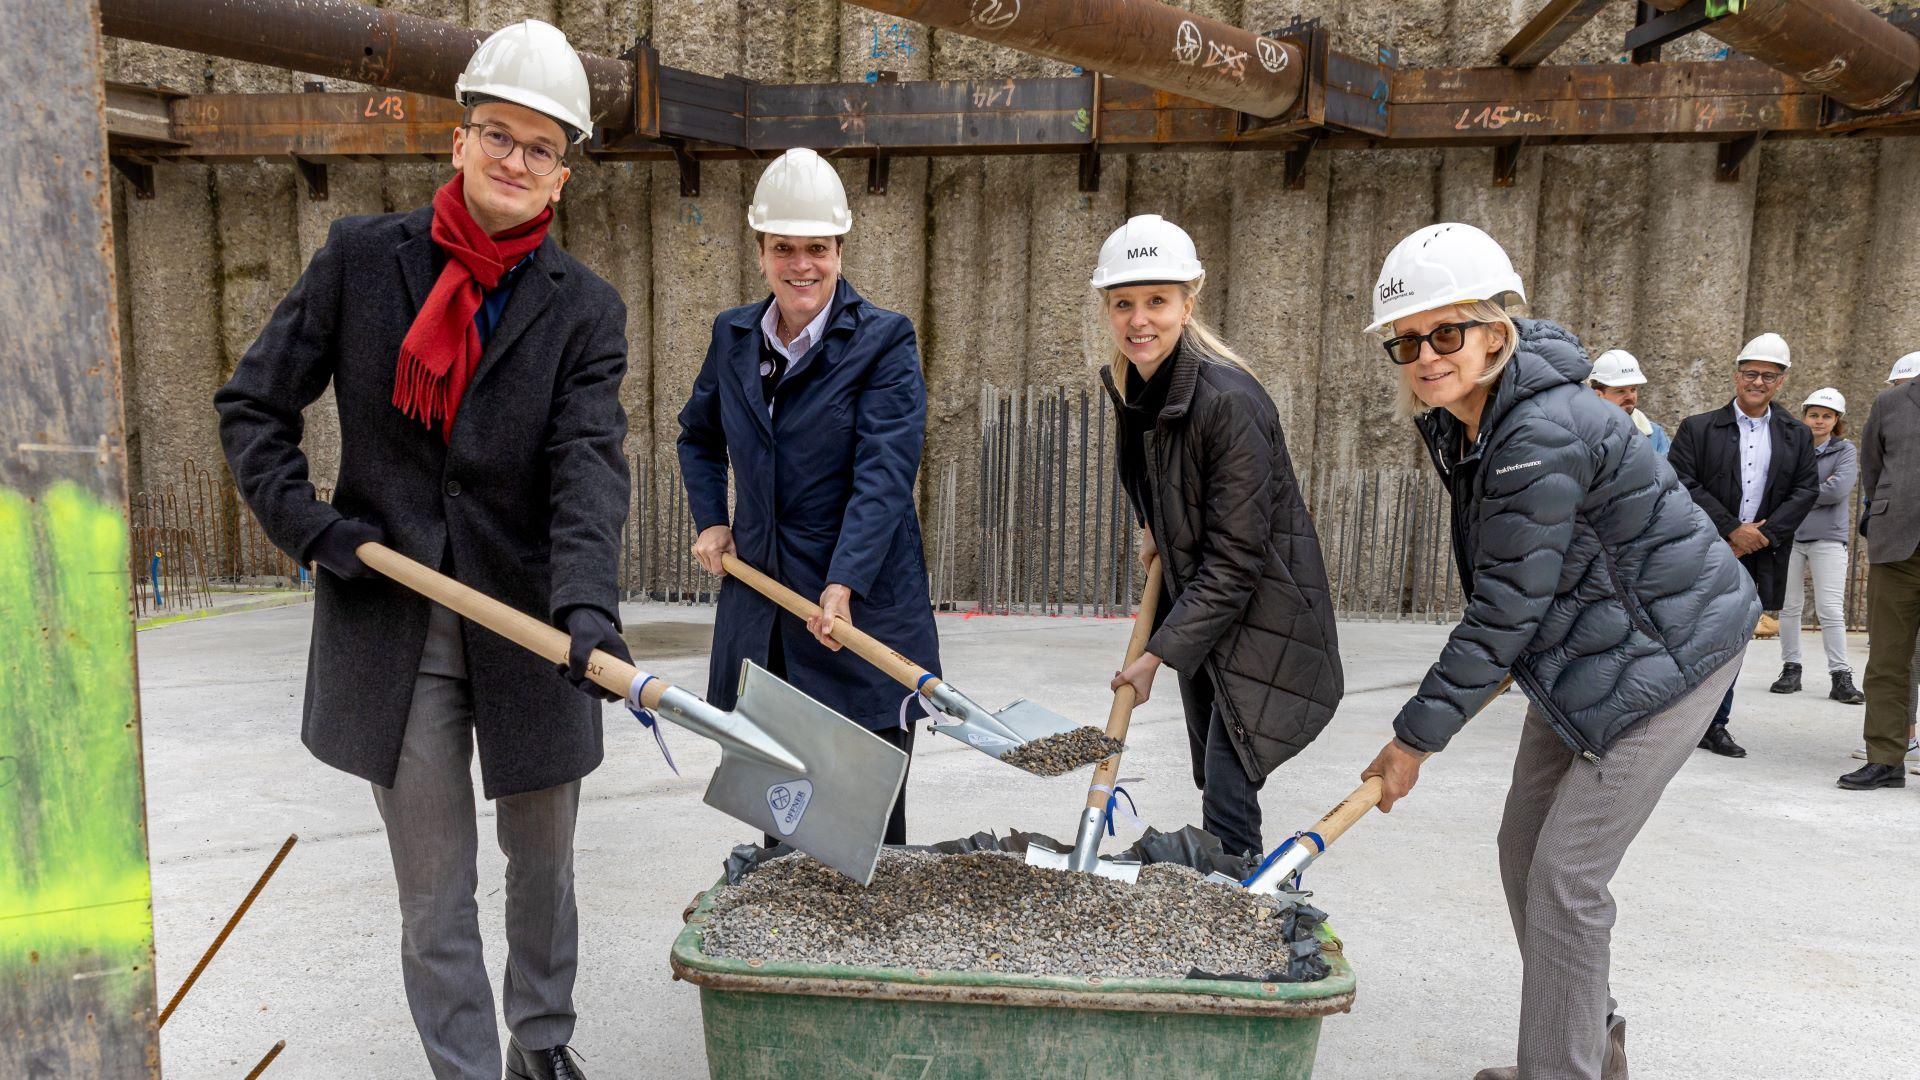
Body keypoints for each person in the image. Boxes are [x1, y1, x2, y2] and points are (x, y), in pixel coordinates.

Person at [215, 21, 624, 1080]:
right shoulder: (362, 261)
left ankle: (541, 1042)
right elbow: (254, 404)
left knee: (543, 867)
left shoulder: (584, 311)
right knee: (435, 890)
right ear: (460, 139)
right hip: (393, 623)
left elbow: (587, 466)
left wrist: (586, 610)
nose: (515, 160)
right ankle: (466, 1070)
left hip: (530, 625)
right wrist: (311, 527)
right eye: (499, 135)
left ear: (563, 174)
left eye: (541, 148)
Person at [1355, 223, 1758, 1080]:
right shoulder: (1471, 421)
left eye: (1446, 332)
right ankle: (1586, 1047)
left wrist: (1413, 740)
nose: (1425, 356)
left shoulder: (1537, 431)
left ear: (1494, 332)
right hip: (1592, 648)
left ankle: (1561, 1071)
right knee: (1523, 847)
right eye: (1407, 341)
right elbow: (1525, 584)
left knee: (1567, 877)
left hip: (1672, 656)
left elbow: (1505, 607)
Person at [679, 148, 936, 846]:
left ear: (839, 251)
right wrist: (712, 520)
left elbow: (884, 473)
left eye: (816, 248)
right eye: (784, 248)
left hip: (855, 615)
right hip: (765, 617)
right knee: (783, 827)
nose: (801, 265)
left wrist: (844, 580)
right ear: (761, 253)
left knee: (863, 836)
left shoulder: (883, 342)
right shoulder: (733, 336)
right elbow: (697, 435)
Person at [1093, 215, 1342, 859]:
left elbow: (1236, 558)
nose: (1139, 320)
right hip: (1210, 612)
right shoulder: (1139, 388)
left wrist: (1155, 655)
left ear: (1188, 303)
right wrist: (1153, 527)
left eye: (1157, 301)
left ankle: (1241, 902)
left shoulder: (1228, 401)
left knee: (1229, 791)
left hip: (1263, 620)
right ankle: (1234, 889)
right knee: (1218, 775)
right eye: (1123, 303)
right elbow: (1160, 481)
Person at [1668, 332, 1819, 758]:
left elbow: (1806, 490)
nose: (1758, 382)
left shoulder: (1796, 435)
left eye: (1768, 376)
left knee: (1735, 639)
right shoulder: (1698, 429)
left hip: (1759, 554)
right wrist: (1732, 529)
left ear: (1781, 381)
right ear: (1736, 376)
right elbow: (1680, 481)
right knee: (1686, 633)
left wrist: (1761, 536)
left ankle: (1714, 723)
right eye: (1751, 373)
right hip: (1705, 548)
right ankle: (1671, 717)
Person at [1842, 353, 1920, 790]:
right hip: (1898, 549)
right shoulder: (1890, 402)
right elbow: (1872, 468)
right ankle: (1886, 759)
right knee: (1889, 658)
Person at [1768, 388, 1863, 703]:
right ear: (1804, 417)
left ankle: (1840, 675)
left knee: (1830, 609)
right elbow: (1777, 488)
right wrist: (1811, 491)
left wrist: (1799, 493)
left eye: (1826, 416)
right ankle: (1791, 668)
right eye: (1813, 415)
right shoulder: (1791, 449)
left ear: (1836, 420)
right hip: (1791, 536)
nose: (1819, 421)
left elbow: (1837, 491)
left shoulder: (1845, 450)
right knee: (1789, 606)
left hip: (1829, 537)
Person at [1588, 348, 1670, 453]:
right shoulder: (1583, 434)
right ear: (1598, 395)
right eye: (1620, 391)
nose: (1630, 396)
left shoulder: (1655, 434)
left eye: (1633, 389)